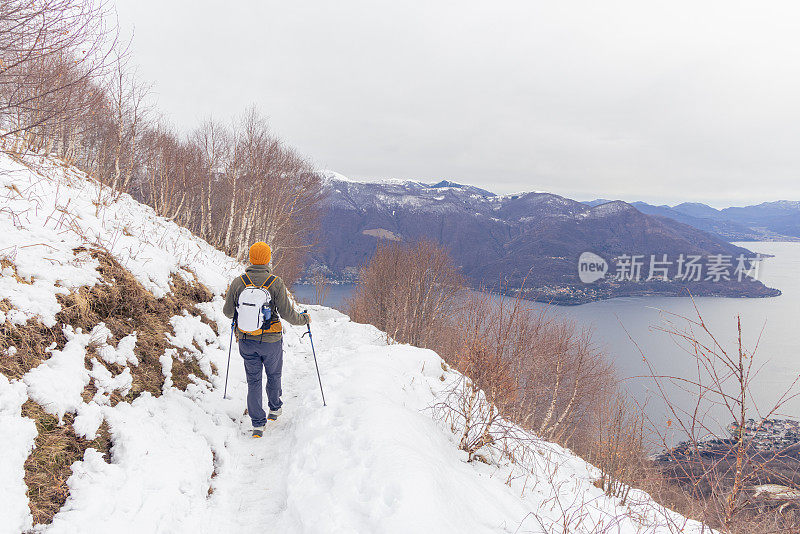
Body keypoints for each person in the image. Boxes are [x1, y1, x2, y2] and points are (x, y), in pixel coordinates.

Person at [223, 241, 310, 438]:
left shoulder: (239, 282)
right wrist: (304, 319)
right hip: (271, 341)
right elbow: (288, 314)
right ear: (268, 259)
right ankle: (274, 408)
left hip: (246, 340)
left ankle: (257, 424)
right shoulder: (274, 282)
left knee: (253, 380)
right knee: (273, 375)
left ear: (251, 258)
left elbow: (228, 312)